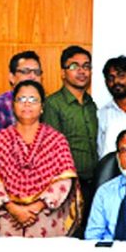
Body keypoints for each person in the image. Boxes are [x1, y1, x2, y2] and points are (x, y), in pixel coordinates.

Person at [0, 80, 81, 238]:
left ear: (42, 107)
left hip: (45, 216)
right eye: (21, 99)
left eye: (33, 100)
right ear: (13, 105)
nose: (27, 104)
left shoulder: (56, 140)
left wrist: (36, 207)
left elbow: (64, 181)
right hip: (7, 217)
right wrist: (14, 209)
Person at [43, 45, 98, 221]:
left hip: (94, 183)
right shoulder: (53, 104)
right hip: (67, 185)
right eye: (74, 66)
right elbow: (52, 151)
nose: (82, 71)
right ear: (63, 73)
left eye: (86, 66)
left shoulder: (91, 104)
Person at [0, 50, 43, 156]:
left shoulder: (47, 103)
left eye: (37, 72)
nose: (33, 76)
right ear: (12, 77)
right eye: (25, 71)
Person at [96, 56, 126, 158]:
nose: (116, 81)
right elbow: (100, 151)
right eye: (111, 78)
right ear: (106, 82)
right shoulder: (102, 114)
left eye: (121, 76)